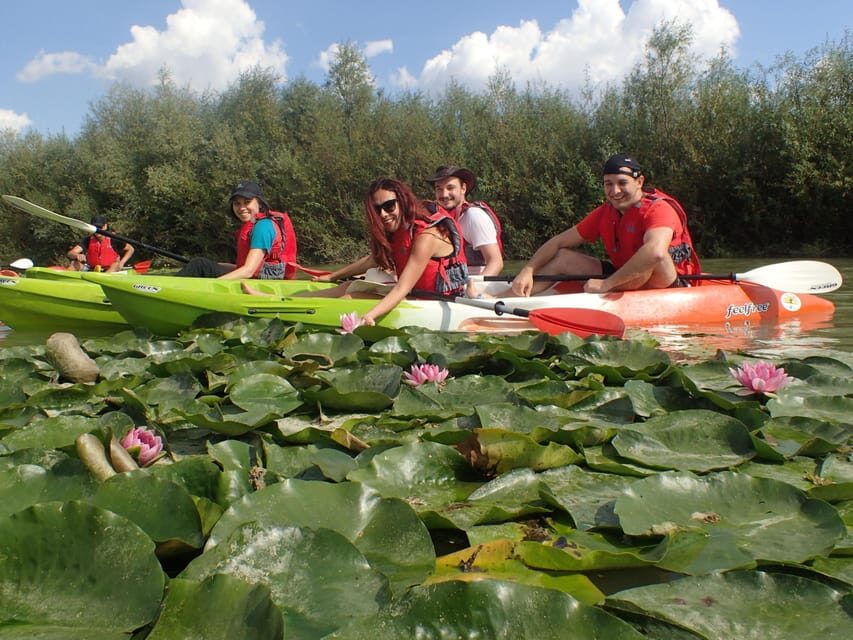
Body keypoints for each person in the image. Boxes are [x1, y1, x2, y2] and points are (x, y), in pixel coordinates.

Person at [510, 154, 701, 297]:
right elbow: (559, 241)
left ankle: (608, 289)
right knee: (562, 257)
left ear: (639, 182)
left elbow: (655, 252)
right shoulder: (606, 212)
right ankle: (507, 299)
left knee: (653, 257)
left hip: (671, 283)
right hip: (625, 277)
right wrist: (528, 270)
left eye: (622, 183)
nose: (615, 191)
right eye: (608, 184)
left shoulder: (659, 209)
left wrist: (606, 285)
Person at [292, 177, 469, 326]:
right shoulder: (400, 231)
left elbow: (401, 288)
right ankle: (292, 300)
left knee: (351, 297)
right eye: (377, 210)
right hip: (414, 295)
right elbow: (373, 260)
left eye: (389, 206)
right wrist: (332, 277)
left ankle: (302, 313)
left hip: (436, 302)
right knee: (348, 286)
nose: (383, 214)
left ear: (402, 202)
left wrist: (371, 315)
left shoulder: (426, 237)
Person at [176, 180, 297, 279]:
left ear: (259, 203)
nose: (242, 208)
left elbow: (248, 271)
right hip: (261, 279)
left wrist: (213, 284)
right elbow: (247, 268)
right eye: (237, 203)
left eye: (247, 202)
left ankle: (166, 292)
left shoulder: (263, 227)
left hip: (262, 286)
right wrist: (216, 266)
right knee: (203, 265)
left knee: (199, 265)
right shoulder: (258, 223)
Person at [425, 165, 504, 277]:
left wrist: (475, 289)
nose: (444, 194)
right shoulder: (440, 220)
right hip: (451, 286)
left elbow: (496, 262)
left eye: (450, 188)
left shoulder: (474, 216)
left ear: (463, 188)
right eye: (439, 189)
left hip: (474, 287)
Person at [67, 215, 134, 272]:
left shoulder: (114, 239)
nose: (97, 230)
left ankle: (104, 280)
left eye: (99, 227)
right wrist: (77, 255)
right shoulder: (88, 240)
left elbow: (131, 249)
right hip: (92, 269)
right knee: (74, 263)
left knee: (116, 265)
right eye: (95, 228)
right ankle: (63, 281)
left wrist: (122, 263)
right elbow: (70, 253)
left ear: (105, 226)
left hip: (111, 270)